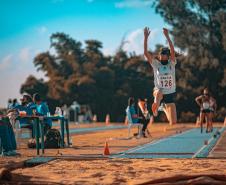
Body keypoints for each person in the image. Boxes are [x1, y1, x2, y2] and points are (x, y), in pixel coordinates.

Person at [144, 27, 177, 125]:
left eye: (165, 54)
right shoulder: (156, 64)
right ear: (159, 55)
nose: (163, 56)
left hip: (170, 94)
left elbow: (172, 50)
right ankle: (157, 106)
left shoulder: (172, 64)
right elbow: (146, 53)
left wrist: (167, 36)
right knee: (159, 92)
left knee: (173, 122)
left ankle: (162, 107)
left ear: (168, 56)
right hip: (158, 91)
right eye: (162, 54)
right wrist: (146, 37)